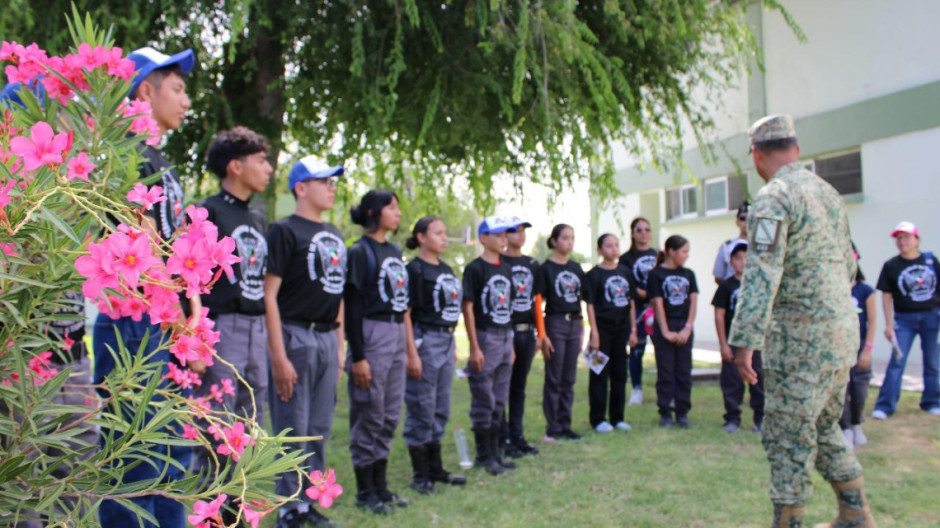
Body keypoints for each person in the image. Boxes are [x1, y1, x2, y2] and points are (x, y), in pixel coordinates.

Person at [730, 114, 875, 527]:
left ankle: (790, 522)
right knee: (824, 425)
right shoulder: (828, 193)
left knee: (787, 435)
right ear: (795, 148)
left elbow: (761, 274)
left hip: (799, 341)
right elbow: (849, 265)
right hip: (840, 334)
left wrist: (744, 341)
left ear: (756, 154)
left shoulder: (774, 197)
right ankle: (854, 512)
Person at [92, 45, 196, 528]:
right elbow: (133, 243)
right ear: (145, 90)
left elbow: (173, 242)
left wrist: (190, 304)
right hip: (128, 319)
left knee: (171, 450)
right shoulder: (121, 155)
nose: (186, 100)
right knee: (133, 455)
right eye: (177, 89)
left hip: (163, 322)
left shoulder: (160, 159)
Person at [263, 156, 345, 527]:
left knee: (319, 425)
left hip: (328, 335)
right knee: (292, 424)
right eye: (324, 180)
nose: (332, 187)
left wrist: (340, 348)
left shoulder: (337, 234)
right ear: (301, 187)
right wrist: (279, 356)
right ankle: (287, 506)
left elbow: (338, 294)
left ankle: (309, 500)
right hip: (295, 333)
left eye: (333, 181)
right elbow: (269, 295)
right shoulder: (284, 231)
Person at [344, 190, 410, 513]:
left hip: (396, 331)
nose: (398, 213)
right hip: (372, 332)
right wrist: (359, 356)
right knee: (369, 410)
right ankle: (364, 491)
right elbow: (353, 306)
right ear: (373, 212)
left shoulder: (395, 251)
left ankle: (381, 487)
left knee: (389, 412)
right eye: (392, 207)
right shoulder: (360, 252)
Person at [403, 216, 467, 493]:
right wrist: (411, 352)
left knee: (441, 406)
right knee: (422, 405)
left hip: (446, 339)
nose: (444, 237)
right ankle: (420, 475)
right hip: (424, 339)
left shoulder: (447, 269)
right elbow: (406, 313)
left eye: (445, 232)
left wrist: (452, 346)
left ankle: (436, 468)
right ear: (421, 237)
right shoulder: (414, 270)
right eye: (438, 233)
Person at [462, 216, 519, 475]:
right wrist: (475, 346)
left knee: (499, 398)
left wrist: (512, 343)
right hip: (486, 336)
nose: (503, 239)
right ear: (484, 238)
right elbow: (468, 307)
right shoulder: (475, 269)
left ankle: (495, 452)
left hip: (505, 336)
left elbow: (507, 307)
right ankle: (484, 455)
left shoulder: (505, 268)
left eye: (505, 235)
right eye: (497, 235)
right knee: (484, 398)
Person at [871, 221, 940, 420]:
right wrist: (889, 324)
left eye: (906, 237)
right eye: (899, 238)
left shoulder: (930, 261)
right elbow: (886, 296)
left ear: (917, 240)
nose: (902, 241)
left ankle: (932, 402)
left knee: (932, 362)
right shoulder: (892, 265)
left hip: (931, 316)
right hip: (904, 319)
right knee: (897, 361)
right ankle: (885, 406)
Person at [584, 234, 637, 433]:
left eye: (616, 245)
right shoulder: (593, 275)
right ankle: (598, 419)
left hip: (621, 330)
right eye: (608, 246)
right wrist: (594, 334)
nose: (613, 249)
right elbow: (590, 305)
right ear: (599, 250)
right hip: (602, 330)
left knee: (620, 373)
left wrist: (633, 329)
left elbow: (631, 301)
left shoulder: (625, 272)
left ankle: (618, 417)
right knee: (599, 373)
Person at [538, 223, 586, 442]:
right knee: (554, 377)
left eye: (572, 238)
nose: (569, 242)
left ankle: (566, 424)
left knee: (569, 378)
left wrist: (582, 327)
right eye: (565, 238)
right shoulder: (546, 268)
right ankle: (553, 426)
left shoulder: (576, 268)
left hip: (574, 323)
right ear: (554, 241)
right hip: (555, 323)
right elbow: (537, 302)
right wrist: (542, 333)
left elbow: (581, 300)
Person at [499, 217, 541, 458]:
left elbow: (537, 301)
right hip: (506, 330)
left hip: (527, 331)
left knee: (519, 386)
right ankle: (502, 436)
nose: (521, 235)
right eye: (515, 231)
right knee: (501, 387)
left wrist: (540, 334)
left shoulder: (532, 264)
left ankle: (517, 435)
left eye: (524, 230)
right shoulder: (499, 262)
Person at [712, 243, 764, 433]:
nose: (743, 262)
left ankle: (760, 417)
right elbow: (719, 314)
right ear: (731, 262)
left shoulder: (758, 285)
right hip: (733, 341)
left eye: (747, 258)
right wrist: (723, 344)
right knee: (731, 380)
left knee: (757, 378)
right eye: (738, 258)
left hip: (755, 341)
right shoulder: (726, 286)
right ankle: (732, 418)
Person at [647, 235, 698, 428]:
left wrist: (687, 328)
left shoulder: (689, 274)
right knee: (666, 371)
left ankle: (682, 412)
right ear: (671, 251)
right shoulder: (656, 274)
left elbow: (693, 302)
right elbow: (658, 303)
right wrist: (666, 331)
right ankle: (666, 411)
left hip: (683, 326)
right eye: (684, 251)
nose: (686, 255)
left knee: (684, 371)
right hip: (664, 327)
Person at [619, 217, 658, 406]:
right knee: (637, 349)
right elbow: (626, 285)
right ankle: (636, 389)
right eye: (639, 229)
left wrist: (655, 297)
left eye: (647, 229)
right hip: (637, 310)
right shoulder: (626, 258)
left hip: (657, 310)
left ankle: (665, 389)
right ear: (633, 233)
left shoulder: (658, 255)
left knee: (662, 350)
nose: (643, 233)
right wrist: (646, 294)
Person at [841, 248, 875, 448]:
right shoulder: (833, 290)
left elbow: (872, 322)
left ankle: (856, 423)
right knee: (841, 390)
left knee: (859, 390)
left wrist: (867, 349)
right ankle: (844, 426)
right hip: (839, 347)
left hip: (860, 345)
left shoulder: (866, 291)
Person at [712, 202, 750, 284]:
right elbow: (718, 277)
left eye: (751, 218)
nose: (747, 222)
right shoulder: (727, 247)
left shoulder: (762, 247)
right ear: (737, 222)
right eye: (743, 218)